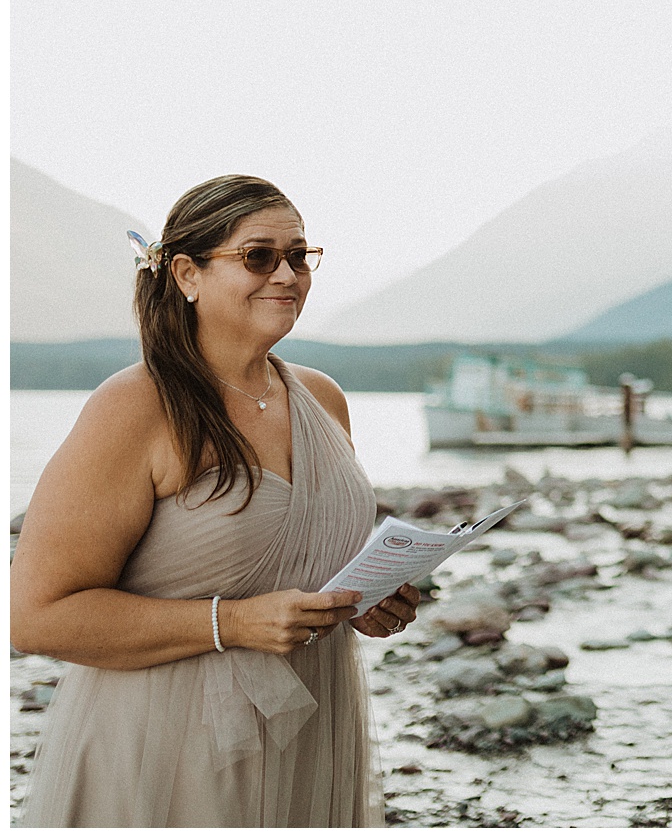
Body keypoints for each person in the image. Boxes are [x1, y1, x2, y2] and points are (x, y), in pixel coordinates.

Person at [12, 175, 420, 826]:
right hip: (165, 745)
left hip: (312, 724)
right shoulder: (136, 406)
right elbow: (36, 617)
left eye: (300, 254)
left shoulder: (324, 398)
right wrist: (231, 622)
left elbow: (300, 570)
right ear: (186, 273)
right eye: (259, 255)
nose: (287, 273)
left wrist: (364, 603)